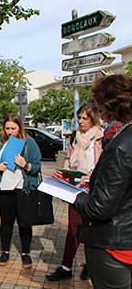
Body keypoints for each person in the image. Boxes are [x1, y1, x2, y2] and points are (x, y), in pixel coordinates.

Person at [72, 74, 132, 288]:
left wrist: (74, 196)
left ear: (109, 104)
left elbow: (99, 208)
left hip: (112, 244)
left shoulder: (120, 145)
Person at [46, 104, 103, 281]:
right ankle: (66, 267)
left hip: (94, 191)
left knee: (91, 230)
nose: (81, 121)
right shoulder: (74, 138)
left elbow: (105, 164)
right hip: (76, 189)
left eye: (85, 118)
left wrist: (92, 175)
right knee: (73, 229)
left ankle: (89, 265)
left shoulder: (101, 138)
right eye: (79, 118)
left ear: (93, 118)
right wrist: (64, 173)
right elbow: (69, 161)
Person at [0, 114, 42, 269]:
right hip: (5, 188)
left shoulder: (29, 143)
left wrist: (26, 165)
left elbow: (37, 165)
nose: (10, 131)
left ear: (20, 127)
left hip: (23, 189)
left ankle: (26, 253)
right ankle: (5, 251)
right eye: (7, 128)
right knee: (6, 222)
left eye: (13, 128)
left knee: (25, 222)